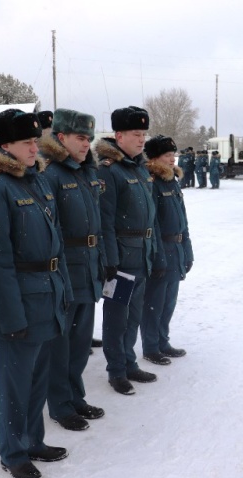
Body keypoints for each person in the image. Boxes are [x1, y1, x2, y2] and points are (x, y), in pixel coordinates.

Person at [0, 108, 72, 478]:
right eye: (27, 142)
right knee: (13, 386)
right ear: (5, 145)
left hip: (45, 294)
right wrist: (11, 316)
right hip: (17, 303)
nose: (35, 146)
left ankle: (33, 440)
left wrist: (62, 291)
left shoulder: (35, 181)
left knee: (38, 378)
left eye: (35, 140)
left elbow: (54, 244)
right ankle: (12, 452)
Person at [39, 108, 107, 431]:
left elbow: (99, 223)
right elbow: (51, 232)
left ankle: (75, 395)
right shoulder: (51, 174)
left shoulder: (86, 172)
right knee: (61, 344)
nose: (86, 144)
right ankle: (60, 403)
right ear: (61, 137)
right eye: (80, 138)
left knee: (80, 342)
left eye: (89, 138)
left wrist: (104, 261)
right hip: (66, 268)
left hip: (89, 267)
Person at [95, 106, 160, 395]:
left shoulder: (139, 168)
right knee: (117, 317)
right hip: (121, 260)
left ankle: (129, 362)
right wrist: (111, 260)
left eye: (144, 134)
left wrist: (153, 250)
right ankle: (116, 370)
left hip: (141, 256)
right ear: (119, 136)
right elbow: (105, 222)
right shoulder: (109, 171)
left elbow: (150, 217)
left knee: (134, 315)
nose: (142, 139)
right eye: (136, 134)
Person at [140, 135, 194, 365]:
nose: (172, 159)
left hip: (176, 247)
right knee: (154, 302)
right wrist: (159, 256)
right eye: (167, 155)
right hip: (161, 247)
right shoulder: (152, 182)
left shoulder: (172, 181)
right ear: (154, 158)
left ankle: (163, 341)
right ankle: (151, 346)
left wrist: (187, 248)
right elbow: (152, 224)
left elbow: (183, 219)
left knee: (169, 301)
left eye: (173, 154)